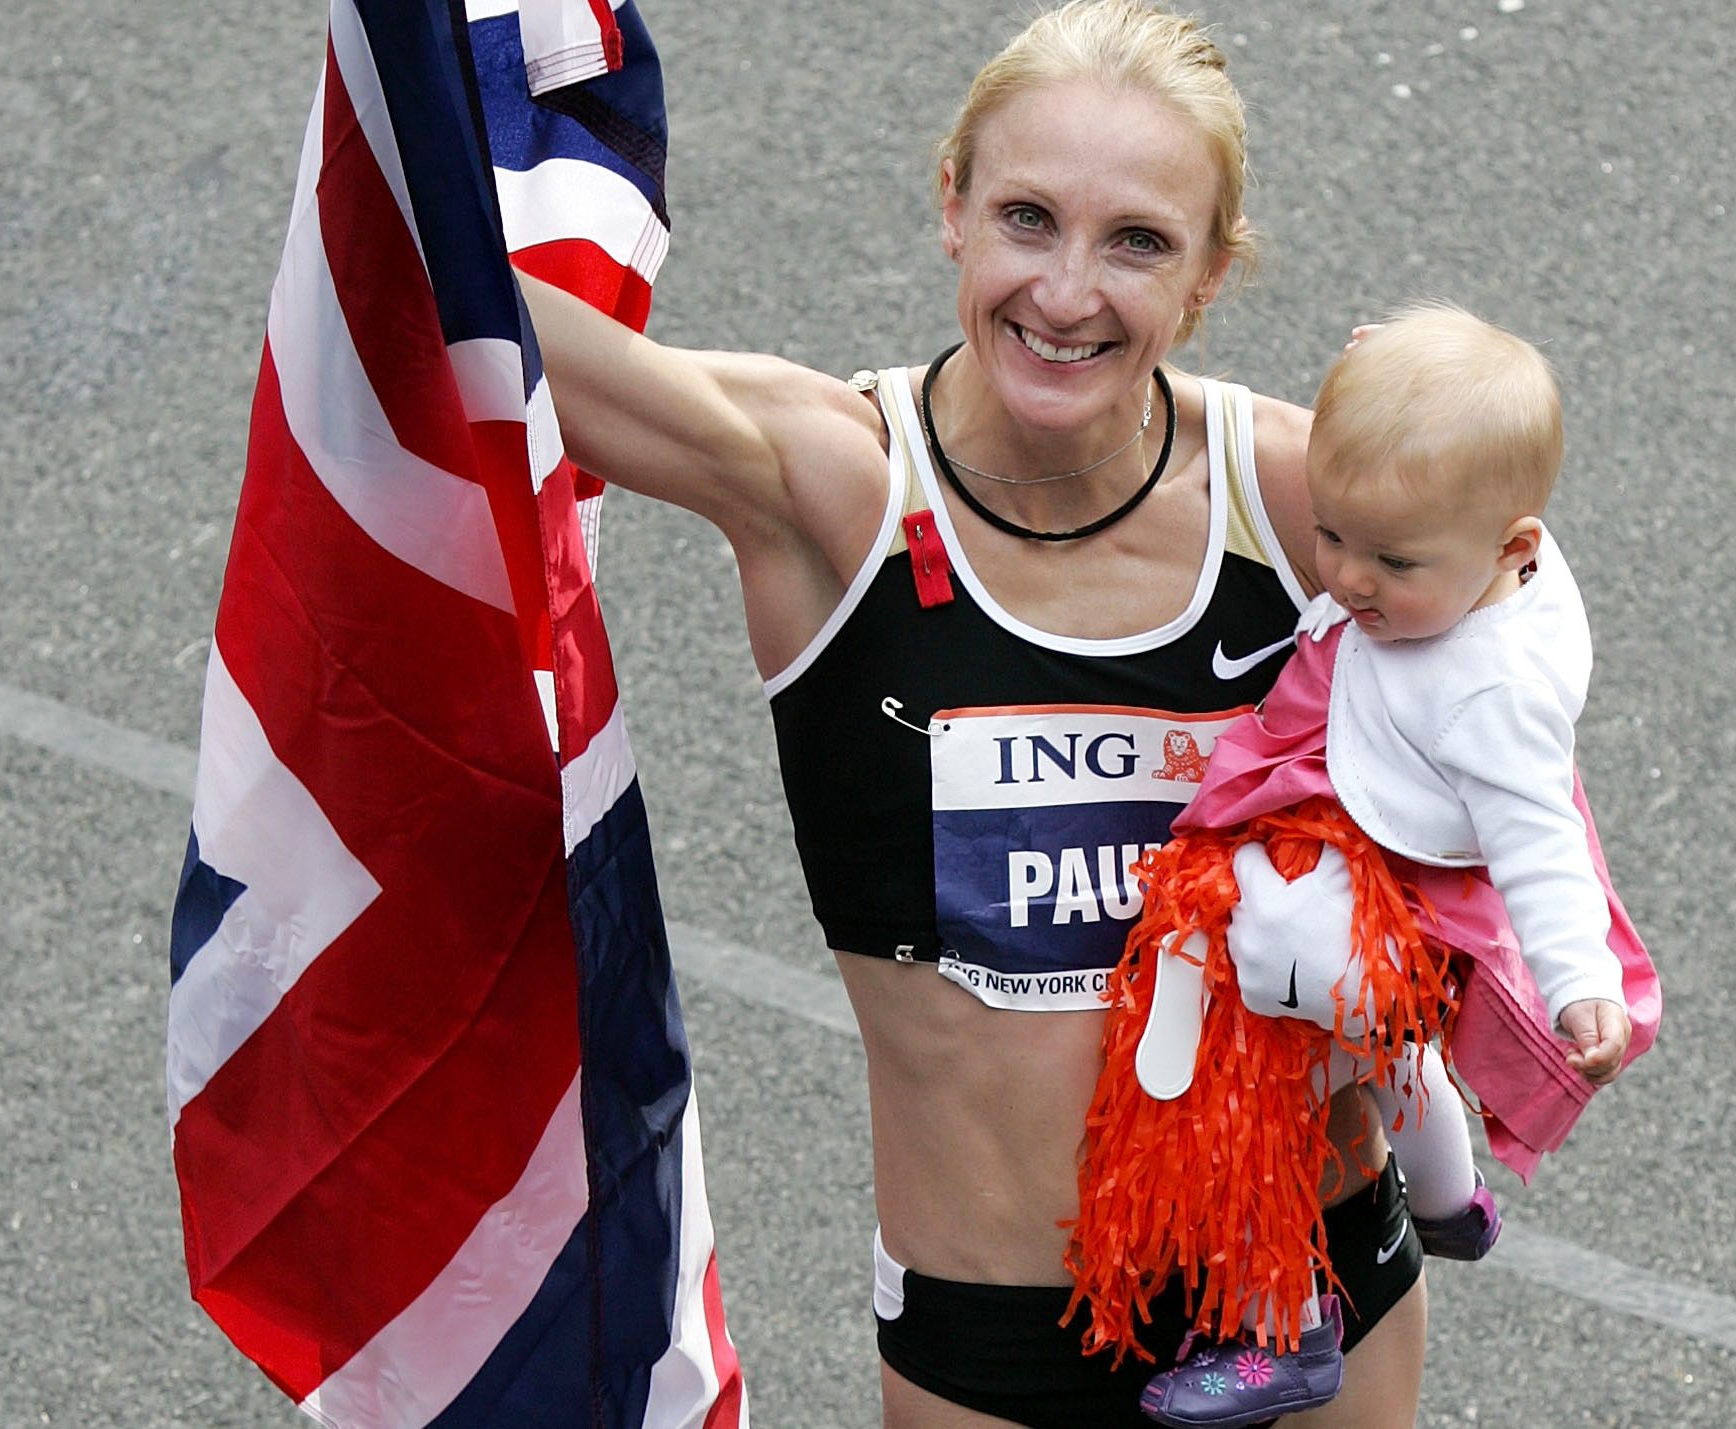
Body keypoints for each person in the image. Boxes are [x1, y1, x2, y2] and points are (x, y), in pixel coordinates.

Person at [522, 3, 1431, 1422]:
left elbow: (1513, 623)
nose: (1065, 294)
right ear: (948, 207)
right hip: (996, 1345)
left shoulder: (1301, 499)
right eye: (1025, 217)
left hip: (1300, 1289)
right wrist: (402, 136)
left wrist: (1441, 421)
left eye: (1136, 241)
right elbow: (497, 345)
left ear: (1208, 276)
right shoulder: (832, 485)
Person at [1081, 306, 1656, 1427]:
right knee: (1379, 1057)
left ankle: (1277, 1322)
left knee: (1251, 1085)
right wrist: (1379, 363)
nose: (1346, 575)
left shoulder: (1491, 690)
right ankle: (1446, 1197)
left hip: (1374, 897)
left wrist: (1579, 982)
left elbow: (1544, 841)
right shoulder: (1477, 548)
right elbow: (1439, 429)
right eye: (1334, 534)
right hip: (1368, 866)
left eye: (1392, 560)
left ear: (1513, 547)